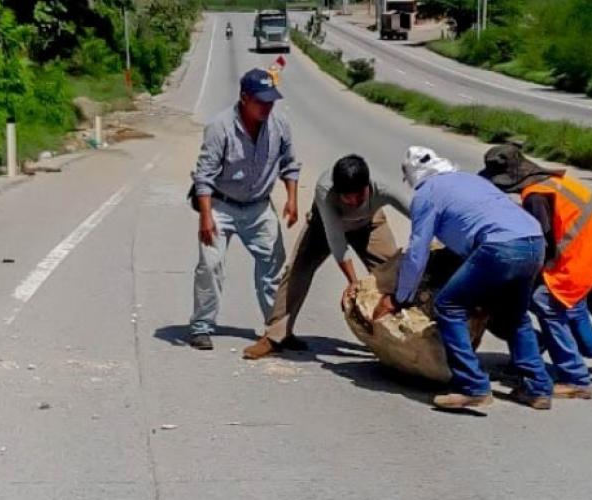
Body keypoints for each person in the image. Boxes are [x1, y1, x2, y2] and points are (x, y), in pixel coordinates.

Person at [374, 146, 553, 410]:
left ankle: (473, 386)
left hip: (499, 247)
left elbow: (417, 251)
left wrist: (400, 296)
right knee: (514, 316)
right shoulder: (471, 180)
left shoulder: (427, 193)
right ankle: (538, 388)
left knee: (448, 306)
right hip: (534, 242)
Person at [479, 144, 592, 395]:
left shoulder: (536, 196)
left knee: (544, 302)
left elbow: (541, 246)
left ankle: (575, 379)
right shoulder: (553, 181)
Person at [243, 152, 416, 359]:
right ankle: (275, 336)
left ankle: (407, 341)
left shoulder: (383, 187)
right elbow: (336, 240)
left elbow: (418, 213)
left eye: (359, 196)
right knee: (298, 272)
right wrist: (353, 283)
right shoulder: (325, 190)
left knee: (394, 274)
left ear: (367, 187)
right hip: (323, 227)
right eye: (346, 197)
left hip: (369, 225)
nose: (352, 202)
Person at [188, 68, 300, 350]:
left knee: (273, 269)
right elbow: (204, 176)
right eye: (261, 101)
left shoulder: (279, 125)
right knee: (210, 265)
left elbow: (290, 163)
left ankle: (277, 330)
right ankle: (201, 326)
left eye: (270, 101)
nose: (267, 106)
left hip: (259, 207)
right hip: (221, 206)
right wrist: (206, 217)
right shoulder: (220, 127)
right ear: (244, 98)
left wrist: (292, 198)